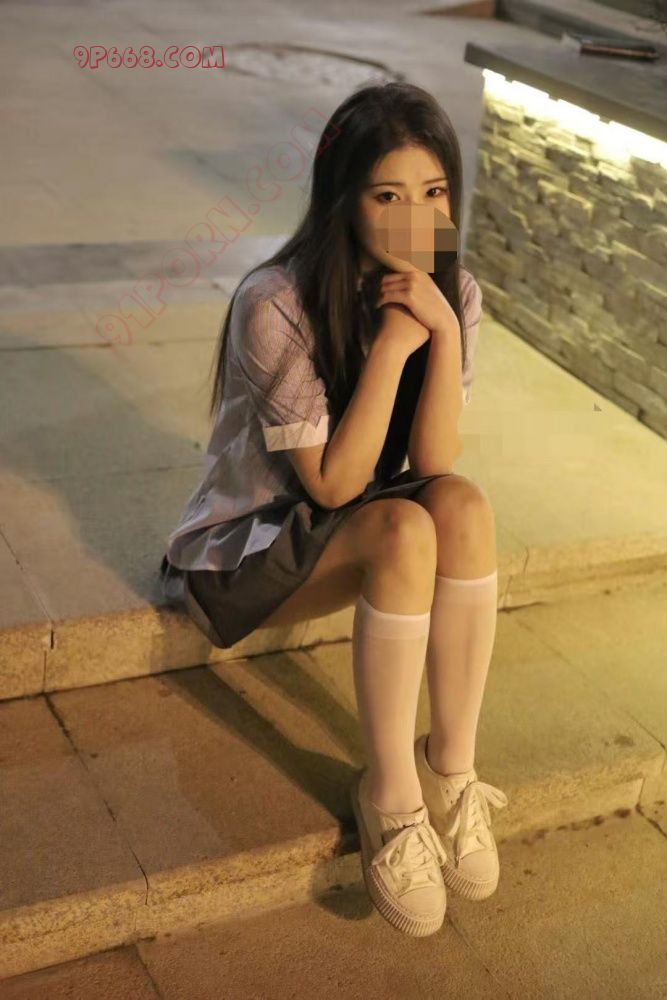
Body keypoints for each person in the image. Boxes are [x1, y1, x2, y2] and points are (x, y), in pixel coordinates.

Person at [158, 80, 508, 938]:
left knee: (460, 506)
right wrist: (394, 343)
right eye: (387, 196)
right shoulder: (275, 301)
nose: (415, 219)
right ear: (343, 199)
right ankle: (391, 797)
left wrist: (442, 330)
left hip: (353, 527)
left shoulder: (454, 292)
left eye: (433, 193)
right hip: (242, 556)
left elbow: (433, 461)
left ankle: (450, 772)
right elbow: (333, 486)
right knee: (403, 527)